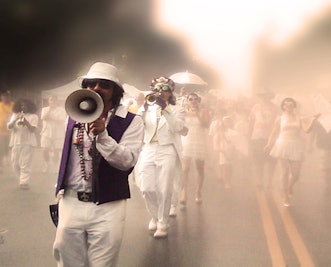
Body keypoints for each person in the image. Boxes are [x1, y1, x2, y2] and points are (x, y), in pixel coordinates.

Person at [52, 62, 144, 267]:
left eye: (104, 84)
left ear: (115, 91)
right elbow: (67, 155)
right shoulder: (73, 113)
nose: (96, 88)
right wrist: (59, 188)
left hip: (108, 205)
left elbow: (127, 161)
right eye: (91, 84)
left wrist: (103, 135)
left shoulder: (131, 121)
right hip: (71, 201)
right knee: (67, 260)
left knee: (103, 264)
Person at [135, 76, 185, 238]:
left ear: (170, 93)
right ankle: (155, 216)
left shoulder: (177, 109)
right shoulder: (147, 107)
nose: (161, 92)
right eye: (157, 89)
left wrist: (166, 109)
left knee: (164, 187)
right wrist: (143, 108)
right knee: (146, 187)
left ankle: (162, 222)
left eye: (165, 89)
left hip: (167, 149)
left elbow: (178, 127)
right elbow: (137, 124)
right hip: (148, 147)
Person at [265, 97, 318, 206]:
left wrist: (313, 120)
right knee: (284, 171)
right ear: (283, 107)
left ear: (294, 106)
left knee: (296, 173)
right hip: (282, 144)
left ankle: (289, 187)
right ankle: (285, 196)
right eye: (286, 104)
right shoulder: (279, 118)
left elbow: (307, 130)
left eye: (290, 104)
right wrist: (269, 144)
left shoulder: (300, 118)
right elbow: (274, 133)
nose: (288, 106)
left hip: (296, 144)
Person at [180, 93, 212, 205]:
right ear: (187, 101)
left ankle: (198, 192)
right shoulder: (183, 112)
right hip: (187, 140)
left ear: (199, 101)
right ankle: (184, 191)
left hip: (199, 141)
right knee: (185, 168)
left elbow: (207, 125)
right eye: (190, 99)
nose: (193, 101)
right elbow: (179, 125)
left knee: (199, 167)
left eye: (195, 99)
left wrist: (197, 114)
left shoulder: (204, 112)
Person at [248, 91, 278, 189]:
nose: (265, 98)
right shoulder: (256, 107)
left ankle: (269, 181)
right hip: (257, 136)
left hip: (270, 137)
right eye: (263, 96)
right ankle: (260, 180)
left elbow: (278, 122)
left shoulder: (275, 107)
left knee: (271, 160)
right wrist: (249, 135)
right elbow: (251, 121)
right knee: (258, 161)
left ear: (270, 97)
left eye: (267, 96)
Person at [7, 98, 39, 189]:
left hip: (28, 143)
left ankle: (24, 182)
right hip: (15, 142)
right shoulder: (15, 115)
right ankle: (21, 179)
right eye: (21, 105)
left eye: (25, 105)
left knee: (25, 163)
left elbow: (33, 130)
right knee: (15, 164)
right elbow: (9, 126)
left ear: (29, 106)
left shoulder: (34, 116)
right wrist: (15, 120)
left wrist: (25, 121)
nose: (23, 107)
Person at [40, 95, 67, 172]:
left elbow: (61, 120)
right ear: (49, 101)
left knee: (56, 151)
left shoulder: (62, 110)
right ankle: (46, 164)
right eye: (51, 100)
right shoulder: (44, 109)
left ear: (57, 101)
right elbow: (43, 117)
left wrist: (51, 117)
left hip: (58, 133)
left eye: (54, 100)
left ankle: (55, 166)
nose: (52, 102)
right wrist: (49, 111)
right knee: (45, 150)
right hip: (46, 132)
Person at [0, 90, 14, 172]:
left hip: (10, 132)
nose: (6, 97)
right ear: (1, 97)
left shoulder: (13, 105)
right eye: (4, 96)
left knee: (8, 148)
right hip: (0, 131)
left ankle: (8, 159)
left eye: (7, 96)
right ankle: (1, 165)